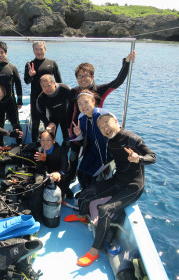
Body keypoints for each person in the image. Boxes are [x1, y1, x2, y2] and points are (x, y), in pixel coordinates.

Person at [65, 111, 156, 267]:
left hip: (133, 186)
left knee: (105, 210)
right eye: (101, 127)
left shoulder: (132, 139)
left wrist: (138, 158)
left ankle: (95, 251)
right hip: (118, 179)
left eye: (107, 123)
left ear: (115, 121)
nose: (105, 128)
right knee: (85, 193)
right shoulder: (110, 141)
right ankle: (82, 216)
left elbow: (152, 157)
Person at [67, 51, 136, 185]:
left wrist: (126, 63)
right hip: (76, 133)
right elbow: (70, 113)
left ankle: (97, 183)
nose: (83, 79)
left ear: (92, 76)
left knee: (94, 161)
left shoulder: (100, 90)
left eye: (86, 76)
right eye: (80, 76)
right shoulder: (73, 92)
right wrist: (67, 131)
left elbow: (118, 81)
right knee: (74, 158)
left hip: (95, 134)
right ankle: (72, 177)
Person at [71, 90, 112, 188]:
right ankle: (84, 192)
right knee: (80, 173)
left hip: (106, 153)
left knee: (90, 176)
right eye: (80, 104)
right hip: (92, 150)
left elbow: (117, 134)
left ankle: (90, 197)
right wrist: (79, 134)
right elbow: (84, 137)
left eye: (86, 102)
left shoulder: (104, 115)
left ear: (93, 101)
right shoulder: (81, 117)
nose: (83, 106)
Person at [24, 41, 62, 142]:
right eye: (36, 49)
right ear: (33, 51)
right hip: (35, 98)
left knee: (49, 123)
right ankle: (35, 145)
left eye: (41, 49)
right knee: (35, 123)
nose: (39, 51)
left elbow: (59, 82)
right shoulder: (29, 64)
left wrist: (60, 99)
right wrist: (31, 76)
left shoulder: (52, 63)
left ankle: (50, 144)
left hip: (49, 98)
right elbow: (26, 81)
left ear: (45, 49)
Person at [36, 74, 71, 149]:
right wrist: (48, 123)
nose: (47, 89)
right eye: (43, 87)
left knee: (67, 139)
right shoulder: (41, 98)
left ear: (54, 83)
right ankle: (52, 153)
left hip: (67, 117)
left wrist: (71, 121)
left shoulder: (65, 89)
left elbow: (75, 104)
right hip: (52, 119)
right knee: (48, 137)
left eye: (48, 85)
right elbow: (40, 113)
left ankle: (64, 154)